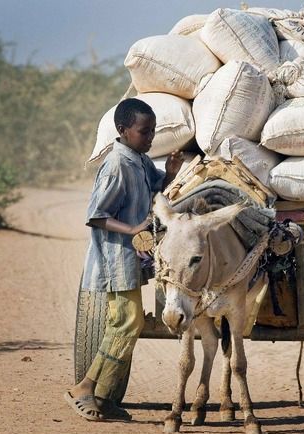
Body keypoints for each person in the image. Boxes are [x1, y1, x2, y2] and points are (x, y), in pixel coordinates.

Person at [64, 98, 184, 421]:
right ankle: (85, 389)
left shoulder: (140, 160)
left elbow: (159, 187)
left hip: (129, 258)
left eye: (153, 132)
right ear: (123, 130)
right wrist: (132, 228)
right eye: (144, 132)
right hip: (114, 258)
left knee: (125, 322)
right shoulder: (117, 164)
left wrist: (171, 173)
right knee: (129, 320)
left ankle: (103, 397)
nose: (150, 138)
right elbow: (97, 215)